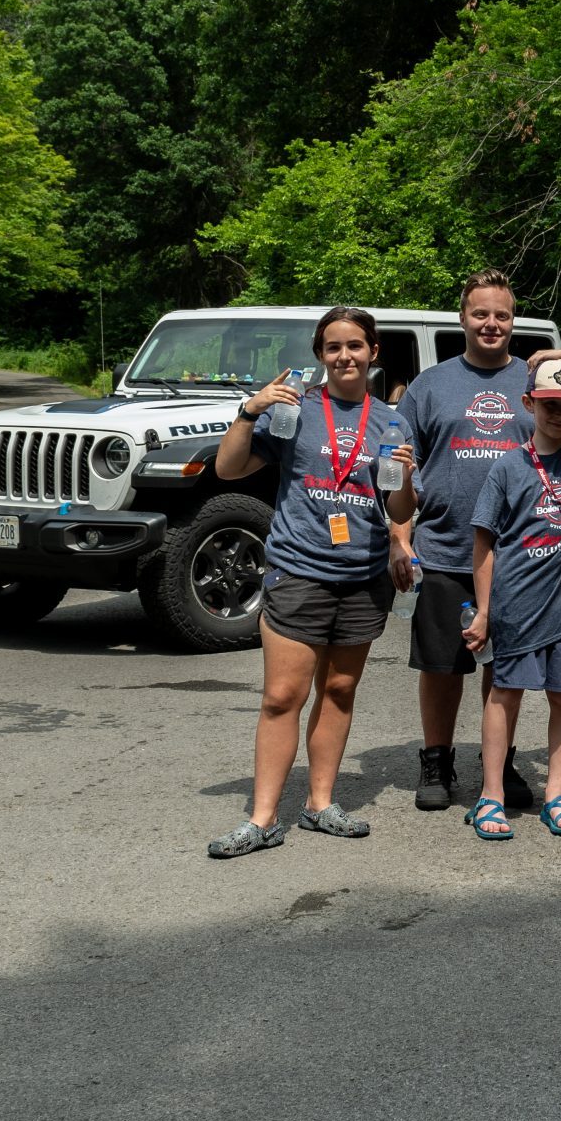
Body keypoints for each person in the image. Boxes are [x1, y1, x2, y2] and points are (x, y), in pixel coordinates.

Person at [207, 307, 417, 859]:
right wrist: (248, 410)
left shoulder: (391, 420)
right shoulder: (294, 409)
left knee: (340, 690)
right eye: (332, 347)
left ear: (373, 352)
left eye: (355, 346)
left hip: (362, 575)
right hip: (299, 570)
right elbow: (228, 469)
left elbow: (397, 506)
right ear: (320, 354)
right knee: (282, 696)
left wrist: (404, 485)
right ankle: (262, 818)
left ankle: (320, 804)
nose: (344, 356)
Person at [461, 351, 561, 839]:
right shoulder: (509, 466)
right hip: (517, 603)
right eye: (549, 403)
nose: (560, 413)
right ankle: (491, 794)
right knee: (504, 693)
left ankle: (556, 792)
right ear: (528, 403)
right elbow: (483, 545)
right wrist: (485, 612)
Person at [391, 270, 537, 813]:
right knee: (442, 665)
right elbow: (400, 466)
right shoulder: (431, 384)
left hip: (520, 553)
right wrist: (399, 537)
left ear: (512, 320)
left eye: (501, 314)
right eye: (481, 313)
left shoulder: (534, 380)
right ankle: (436, 759)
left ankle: (497, 763)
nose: (491, 324)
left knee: (507, 668)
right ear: (462, 318)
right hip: (446, 547)